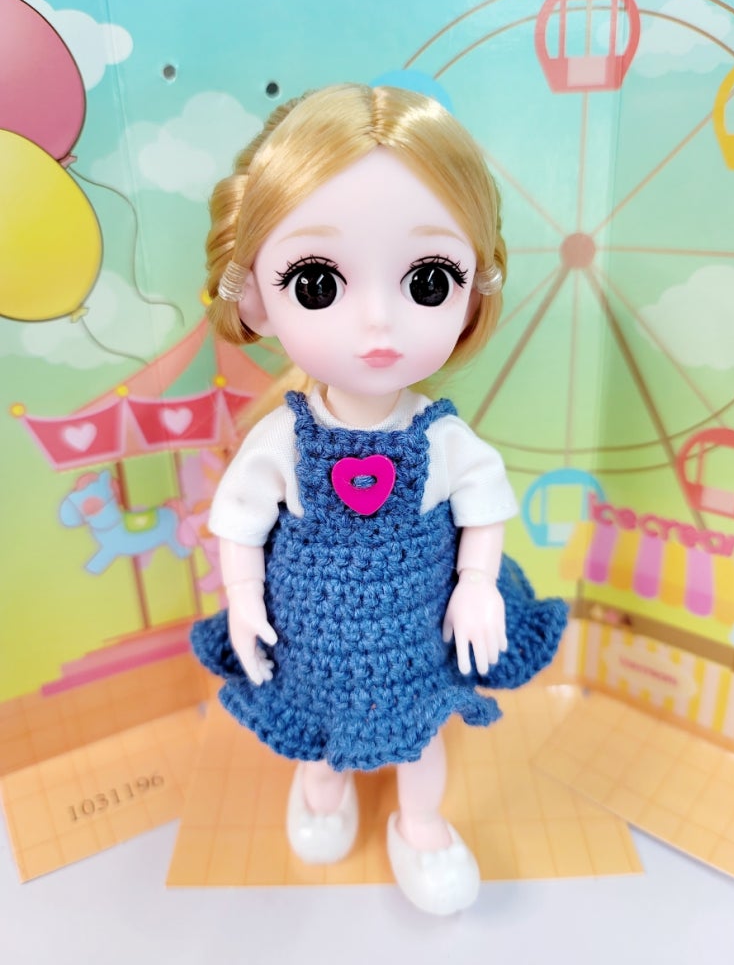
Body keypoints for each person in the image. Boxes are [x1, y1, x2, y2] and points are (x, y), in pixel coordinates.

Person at [191, 83, 567, 915]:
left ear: (472, 293)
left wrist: (476, 584)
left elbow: (482, 506)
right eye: (315, 282)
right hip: (311, 640)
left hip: (414, 641)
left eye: (427, 280)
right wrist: (243, 598)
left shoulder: (440, 436)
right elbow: (239, 521)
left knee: (421, 740)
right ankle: (320, 787)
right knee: (317, 735)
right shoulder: (284, 439)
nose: (377, 324)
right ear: (254, 297)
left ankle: (419, 823)